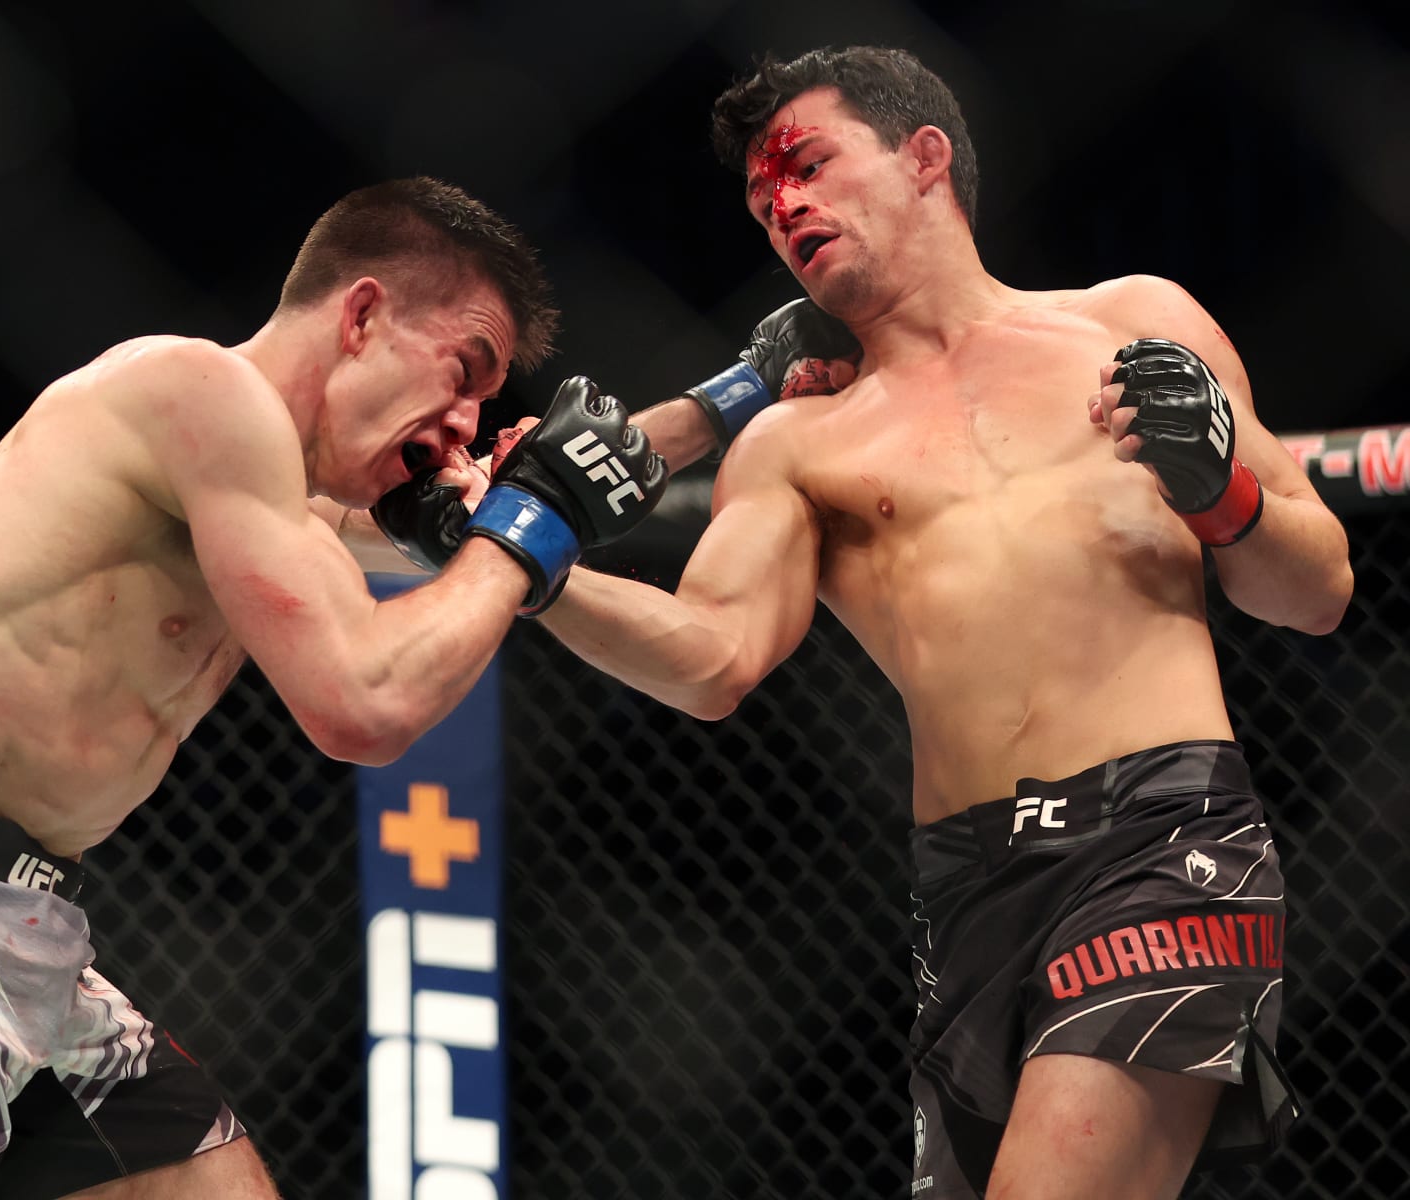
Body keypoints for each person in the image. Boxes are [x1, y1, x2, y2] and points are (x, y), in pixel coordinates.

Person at [372, 47, 1352, 1199]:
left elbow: (1318, 589)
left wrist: (1224, 488)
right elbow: (715, 661)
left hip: (1163, 842)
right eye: (762, 199)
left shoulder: (1132, 324)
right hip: (970, 885)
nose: (786, 207)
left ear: (925, 157)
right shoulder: (799, 441)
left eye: (810, 166)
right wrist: (522, 564)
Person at [0, 176, 668, 1199]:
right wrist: (528, 525)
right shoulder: (197, 394)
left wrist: (728, 399)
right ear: (362, 314)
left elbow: (503, 531)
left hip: (23, 924)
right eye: (466, 371)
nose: (468, 424)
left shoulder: (275, 507)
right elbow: (365, 702)